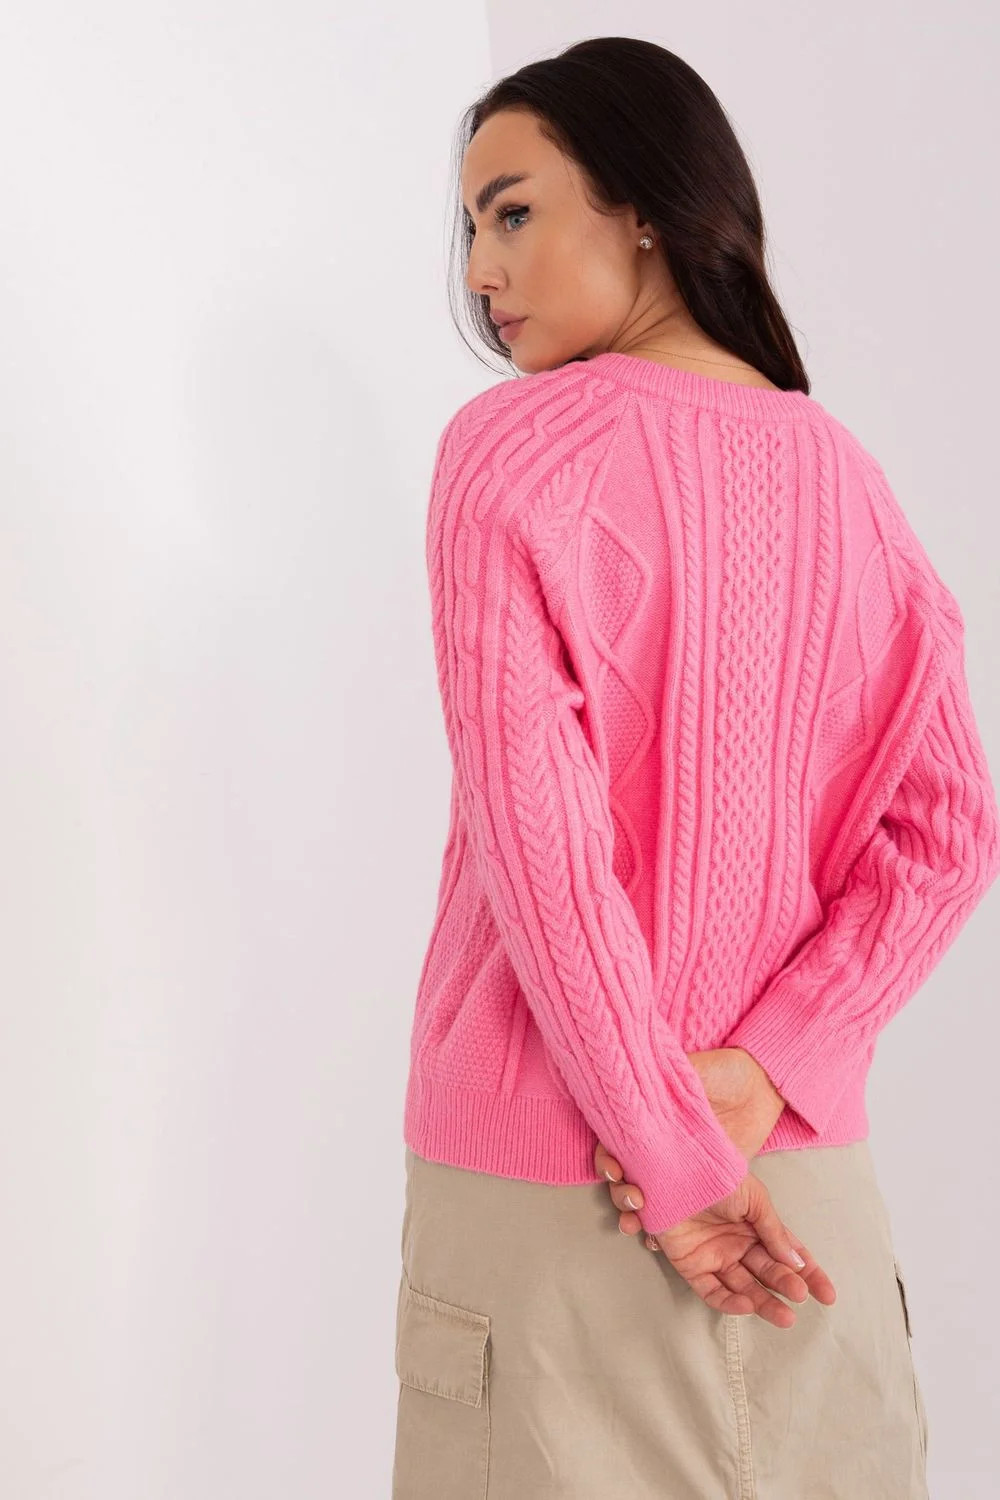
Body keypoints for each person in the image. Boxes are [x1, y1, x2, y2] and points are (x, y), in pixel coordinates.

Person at [391, 36, 1000, 1500]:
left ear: (646, 205)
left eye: (514, 211)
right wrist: (771, 1067)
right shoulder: (845, 474)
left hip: (568, 1194)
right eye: (470, 227)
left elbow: (545, 858)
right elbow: (953, 829)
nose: (482, 269)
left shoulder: (509, 451)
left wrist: (669, 1147)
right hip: (801, 1197)